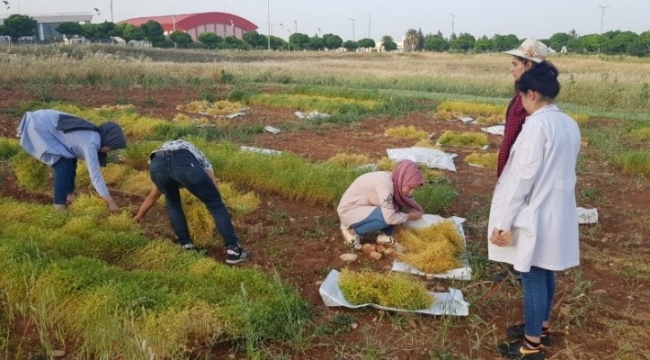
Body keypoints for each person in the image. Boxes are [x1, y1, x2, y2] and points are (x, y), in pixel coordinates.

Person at [487, 62, 581, 360]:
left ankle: (531, 346)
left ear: (530, 94)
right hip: (557, 209)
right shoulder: (567, 122)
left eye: (522, 98)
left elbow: (521, 178)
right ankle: (540, 327)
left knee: (531, 275)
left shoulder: (537, 126)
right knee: (546, 267)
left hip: (535, 210)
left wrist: (502, 222)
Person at [133, 139, 249, 264]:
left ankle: (185, 245)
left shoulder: (165, 157)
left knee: (172, 202)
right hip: (183, 161)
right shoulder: (201, 158)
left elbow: (153, 196)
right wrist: (222, 208)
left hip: (156, 161)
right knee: (215, 204)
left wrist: (139, 217)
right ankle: (234, 251)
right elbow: (214, 191)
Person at [492, 39, 550, 284]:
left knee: (517, 213)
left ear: (528, 64)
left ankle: (521, 266)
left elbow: (530, 142)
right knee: (512, 212)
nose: (511, 68)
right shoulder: (523, 94)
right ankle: (514, 264)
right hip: (514, 164)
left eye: (515, 64)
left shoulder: (533, 98)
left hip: (523, 168)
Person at [17, 109, 127, 212]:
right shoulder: (91, 142)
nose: (110, 151)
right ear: (108, 139)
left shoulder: (95, 135)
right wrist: (110, 203)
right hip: (40, 126)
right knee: (62, 165)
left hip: (44, 121)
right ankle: (59, 208)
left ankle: (69, 196)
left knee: (70, 159)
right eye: (111, 147)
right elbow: (95, 176)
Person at [337, 159, 424, 248]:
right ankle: (351, 232)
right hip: (349, 211)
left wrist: (415, 208)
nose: (411, 192)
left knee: (397, 202)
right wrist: (408, 216)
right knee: (386, 217)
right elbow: (389, 218)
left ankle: (385, 235)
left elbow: (407, 199)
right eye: (410, 187)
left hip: (364, 207)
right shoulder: (385, 184)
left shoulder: (396, 180)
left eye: (414, 189)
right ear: (402, 178)